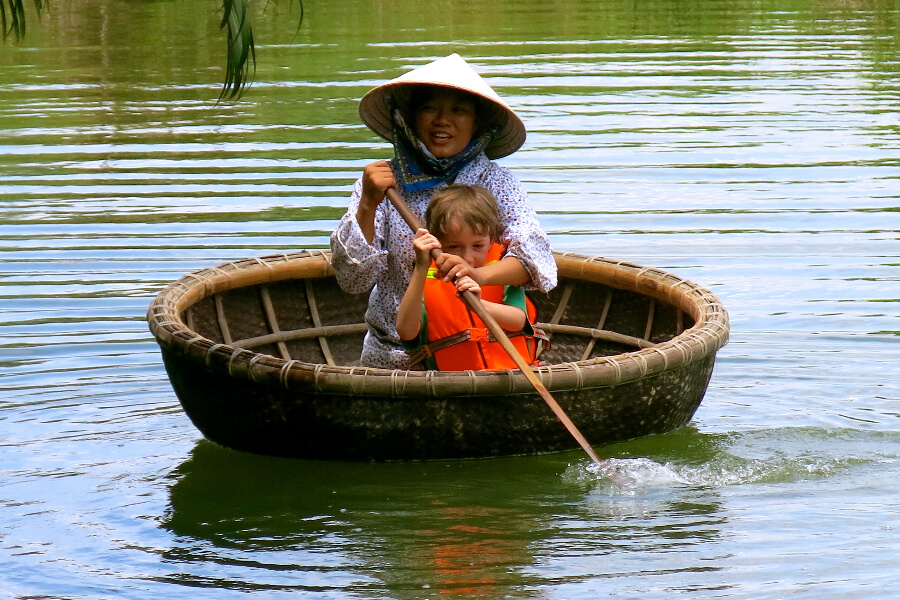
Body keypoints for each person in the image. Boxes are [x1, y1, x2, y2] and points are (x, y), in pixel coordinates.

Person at [330, 53, 556, 369]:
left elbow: (535, 263)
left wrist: (476, 274)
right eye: (430, 108)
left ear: (477, 122)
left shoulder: (497, 182)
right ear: (409, 117)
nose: (442, 120)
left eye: (458, 110)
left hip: (486, 359)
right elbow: (352, 281)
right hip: (398, 354)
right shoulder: (382, 184)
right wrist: (368, 203)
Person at [397, 185, 542, 371]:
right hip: (453, 384)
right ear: (437, 244)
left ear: (491, 240)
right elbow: (406, 333)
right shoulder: (426, 276)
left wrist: (480, 305)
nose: (467, 258)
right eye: (454, 247)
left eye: (477, 246)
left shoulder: (502, 267)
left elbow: (520, 321)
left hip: (513, 377)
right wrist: (421, 267)